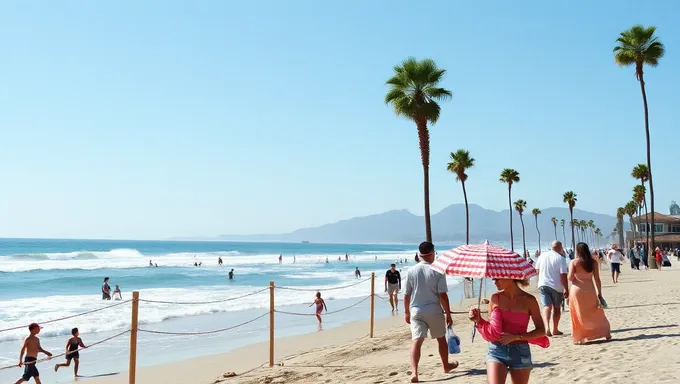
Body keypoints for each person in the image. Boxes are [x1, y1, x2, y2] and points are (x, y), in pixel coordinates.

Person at [469, 278, 548, 384]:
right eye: (493, 278)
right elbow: (491, 329)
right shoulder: (495, 298)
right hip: (496, 350)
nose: (494, 281)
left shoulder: (529, 300)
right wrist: (478, 320)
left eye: (498, 278)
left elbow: (541, 330)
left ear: (510, 276)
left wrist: (516, 337)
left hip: (520, 352)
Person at [404, 241, 458, 383]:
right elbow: (443, 295)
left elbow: (406, 295)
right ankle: (446, 366)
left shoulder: (411, 271)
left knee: (416, 341)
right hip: (433, 309)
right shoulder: (438, 270)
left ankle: (414, 373)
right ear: (433, 252)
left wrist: (406, 313)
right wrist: (448, 314)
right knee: (441, 338)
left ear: (420, 254)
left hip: (416, 310)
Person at [568, 243, 612, 345]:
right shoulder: (593, 262)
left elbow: (570, 278)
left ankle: (581, 336)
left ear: (577, 251)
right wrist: (599, 293)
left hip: (577, 290)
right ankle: (605, 332)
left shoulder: (574, 262)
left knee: (578, 313)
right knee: (595, 312)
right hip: (590, 290)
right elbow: (597, 279)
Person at [534, 241, 569, 337]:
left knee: (546, 306)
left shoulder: (542, 256)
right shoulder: (561, 258)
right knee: (556, 308)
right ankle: (555, 329)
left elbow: (537, 270)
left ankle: (546, 327)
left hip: (543, 284)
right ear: (560, 248)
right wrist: (566, 288)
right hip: (556, 286)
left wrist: (539, 281)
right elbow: (563, 275)